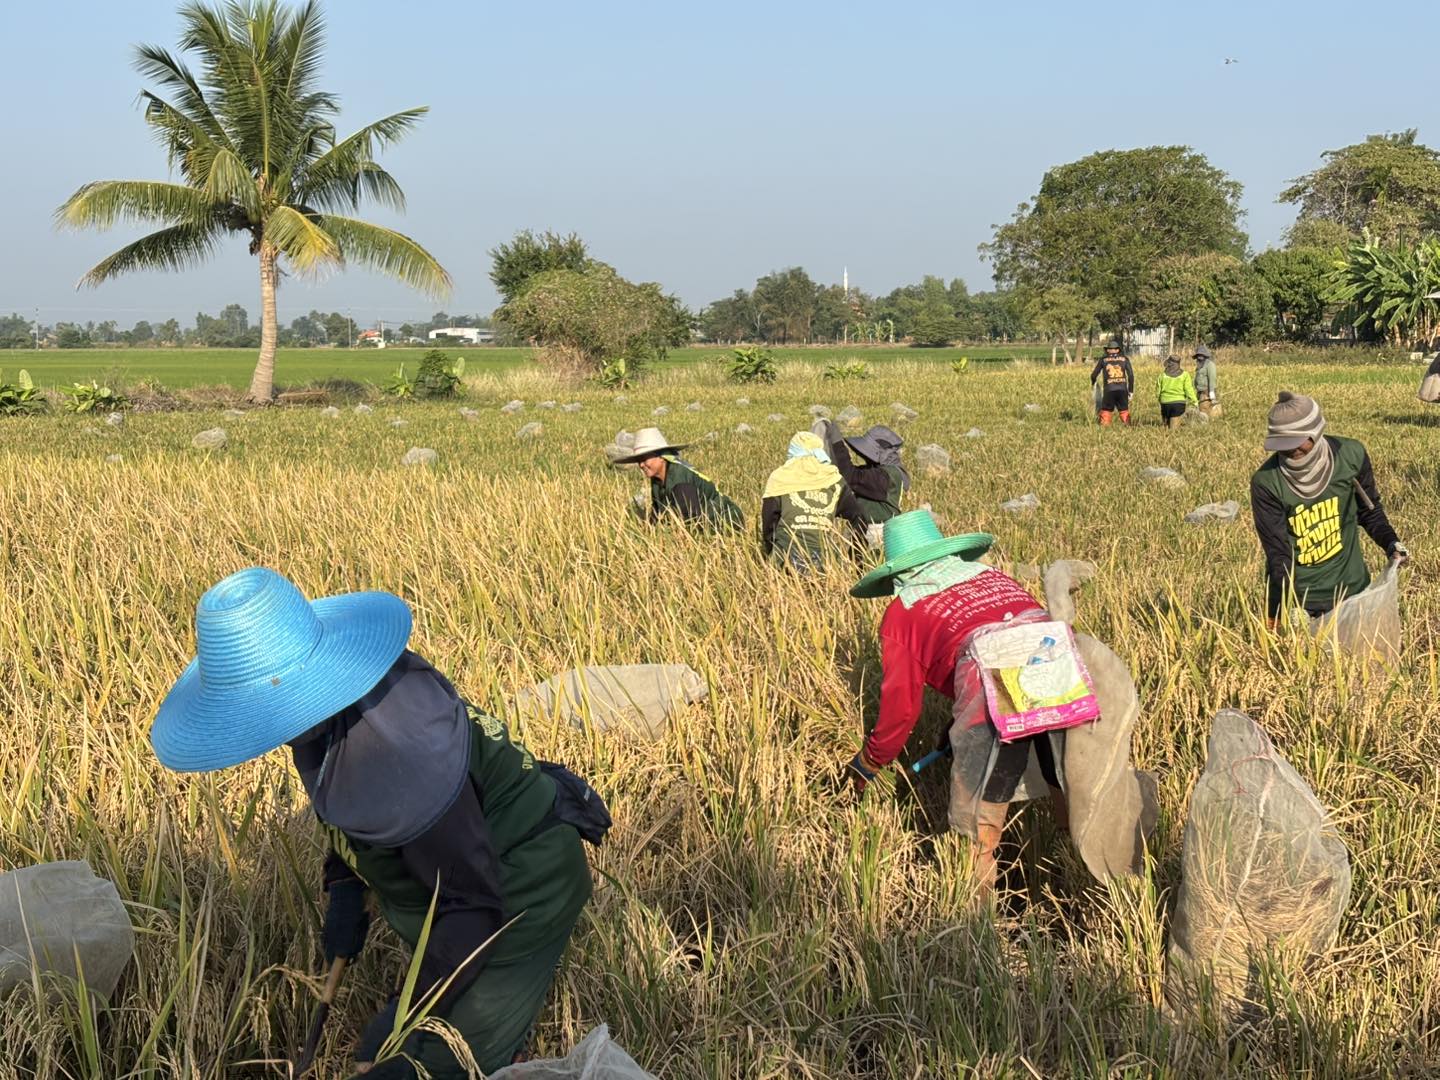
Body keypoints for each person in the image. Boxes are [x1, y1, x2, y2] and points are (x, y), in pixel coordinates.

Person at [149, 569, 604, 1079]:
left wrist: (404, 1011)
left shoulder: (401, 754)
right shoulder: (327, 713)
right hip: (462, 875)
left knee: (427, 1068)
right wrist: (344, 884)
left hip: (519, 890)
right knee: (388, 1049)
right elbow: (353, 809)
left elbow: (473, 909)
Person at [842, 511, 1154, 892]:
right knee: (1068, 781)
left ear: (897, 574)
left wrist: (870, 762)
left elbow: (901, 711)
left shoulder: (903, 613)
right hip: (1060, 665)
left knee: (978, 834)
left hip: (993, 683)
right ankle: (1076, 886)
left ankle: (977, 927)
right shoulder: (990, 577)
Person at [1250, 391, 1409, 624]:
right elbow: (1278, 553)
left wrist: (1391, 543)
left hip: (1352, 590)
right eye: (1282, 444)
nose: (1291, 450)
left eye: (1297, 442)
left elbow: (1369, 511)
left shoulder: (1350, 456)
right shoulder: (1266, 482)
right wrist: (1287, 605)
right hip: (1304, 597)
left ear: (1315, 431)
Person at [761, 431, 869, 570]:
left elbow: (769, 525)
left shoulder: (779, 478)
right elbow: (859, 518)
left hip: (786, 559)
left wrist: (771, 554)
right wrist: (856, 557)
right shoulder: (834, 479)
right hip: (825, 562)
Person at [611, 427, 743, 530]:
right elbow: (658, 513)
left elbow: (693, 522)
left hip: (725, 522)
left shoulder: (680, 481)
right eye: (639, 460)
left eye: (645, 459)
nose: (641, 465)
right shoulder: (657, 478)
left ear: (661, 457)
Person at [823, 422, 909, 524]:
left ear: (879, 452)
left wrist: (836, 442)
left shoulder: (887, 476)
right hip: (866, 531)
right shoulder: (877, 471)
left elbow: (849, 475)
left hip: (878, 533)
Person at [1090, 339, 1134, 426]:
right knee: (1124, 411)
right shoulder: (1125, 359)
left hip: (1109, 390)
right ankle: (1128, 427)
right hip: (1122, 390)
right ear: (1118, 350)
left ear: (1108, 350)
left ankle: (1105, 430)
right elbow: (1131, 376)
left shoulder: (1103, 360)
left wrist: (1093, 382)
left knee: (1106, 411)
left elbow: (1094, 375)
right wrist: (1131, 391)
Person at [1157, 355, 1198, 428]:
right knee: (1174, 430)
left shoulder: (1162, 375)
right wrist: (1194, 401)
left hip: (1165, 404)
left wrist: (1160, 399)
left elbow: (1158, 391)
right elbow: (1189, 390)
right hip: (1178, 404)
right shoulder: (1185, 375)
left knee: (1165, 426)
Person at [1193, 344, 1220, 416]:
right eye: (1198, 355)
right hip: (1199, 393)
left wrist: (1212, 393)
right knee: (1200, 411)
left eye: (1201, 355)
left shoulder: (1210, 365)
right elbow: (1196, 379)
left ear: (1205, 356)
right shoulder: (1199, 365)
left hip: (1206, 393)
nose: (1199, 357)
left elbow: (1212, 379)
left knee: (1204, 412)